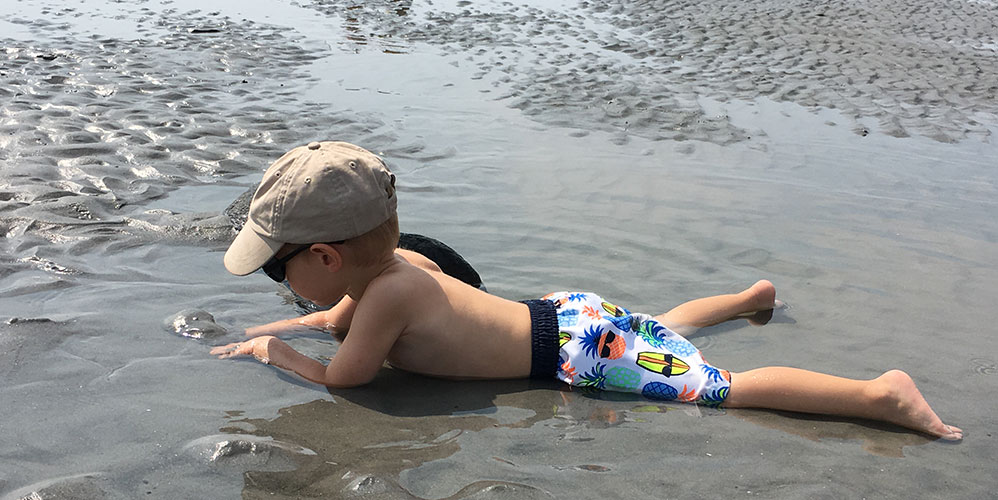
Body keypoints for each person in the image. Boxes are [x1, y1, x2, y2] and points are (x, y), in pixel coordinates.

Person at [212, 141, 962, 441]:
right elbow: (340, 315)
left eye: (281, 272)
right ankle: (747, 298)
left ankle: (877, 395)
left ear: (324, 257)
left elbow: (349, 379)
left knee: (719, 387)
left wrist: (279, 351)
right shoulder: (404, 265)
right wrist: (313, 325)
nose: (288, 290)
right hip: (569, 313)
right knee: (654, 327)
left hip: (573, 352)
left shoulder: (385, 300)